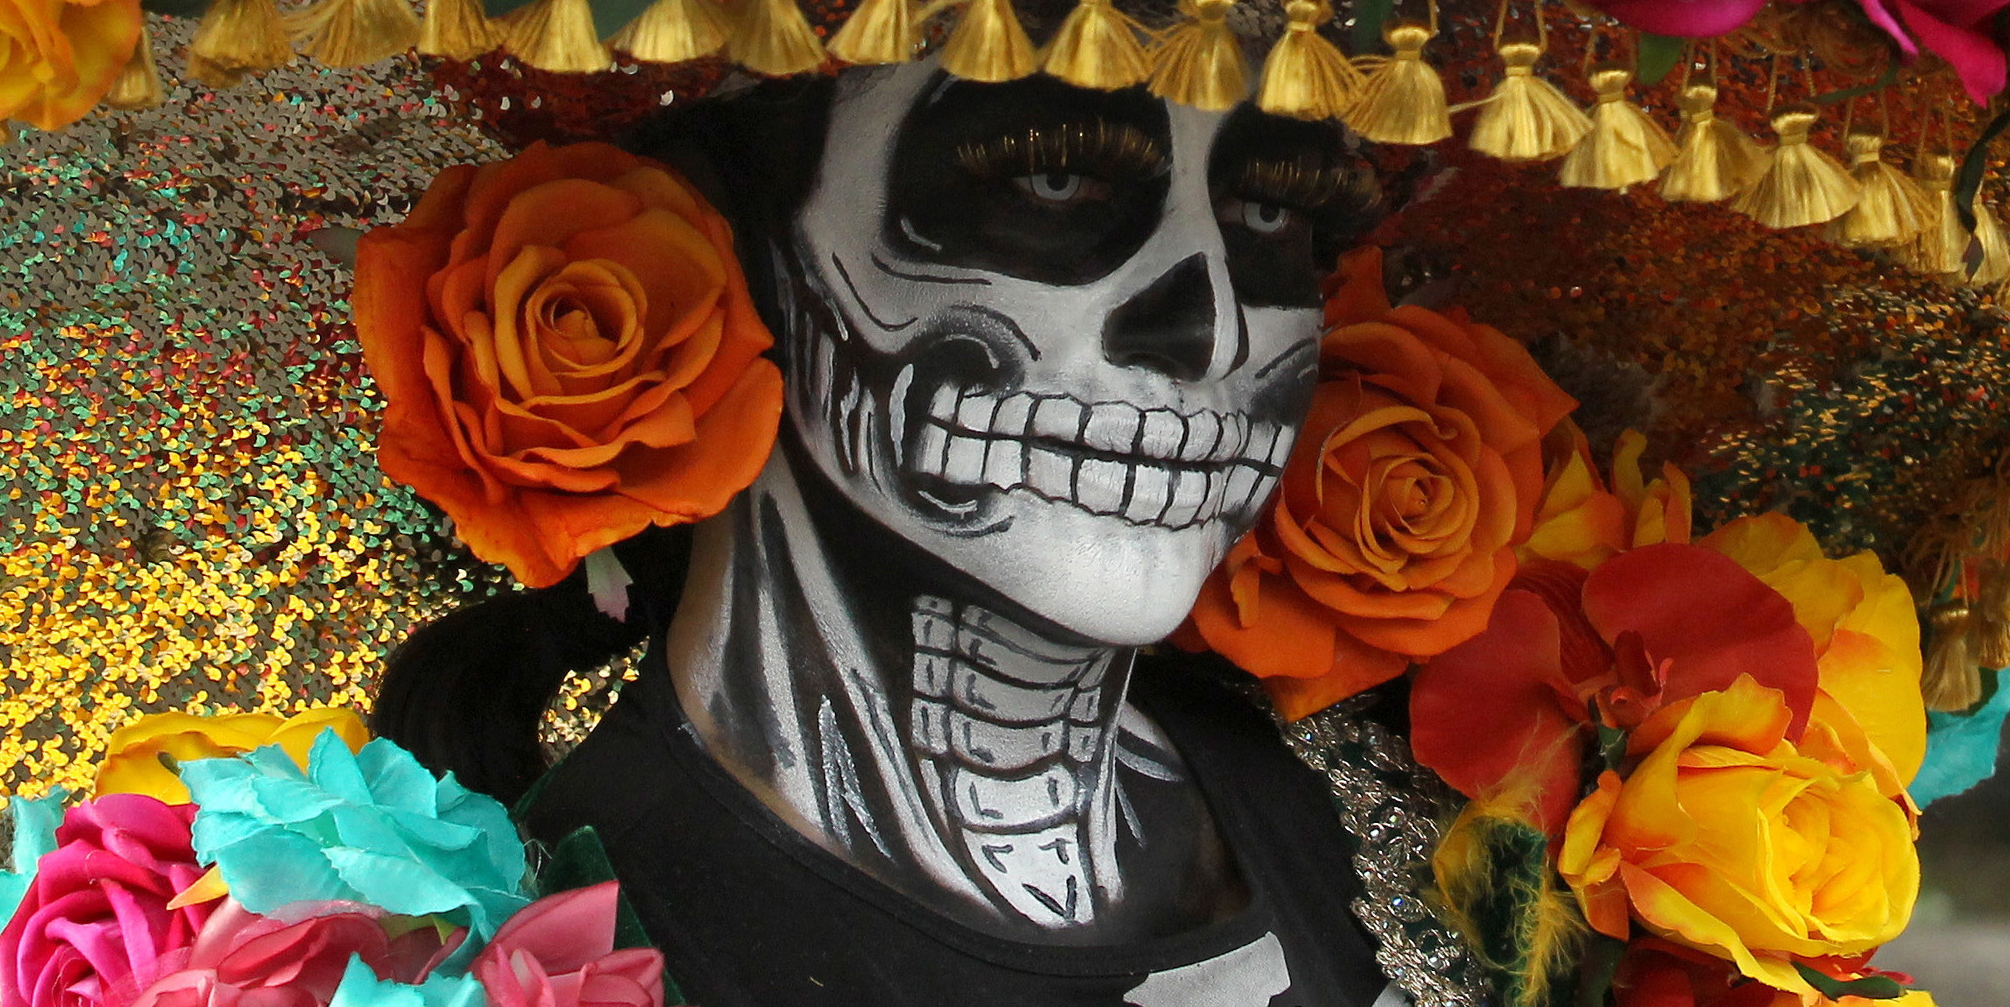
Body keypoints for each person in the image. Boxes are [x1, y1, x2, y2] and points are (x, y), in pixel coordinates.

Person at [375, 66, 1405, 1006]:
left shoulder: (1376, 818)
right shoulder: (552, 965)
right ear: (714, 242)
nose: (1208, 329)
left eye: (1271, 211)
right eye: (1048, 182)